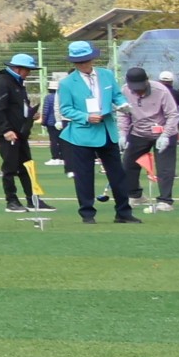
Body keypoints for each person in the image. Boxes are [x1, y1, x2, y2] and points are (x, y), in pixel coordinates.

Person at [51, 40, 135, 225]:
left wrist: (122, 104)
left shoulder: (106, 75)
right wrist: (85, 116)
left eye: (86, 60)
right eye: (79, 62)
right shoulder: (66, 83)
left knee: (118, 174)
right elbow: (66, 109)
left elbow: (116, 95)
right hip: (82, 135)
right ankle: (87, 214)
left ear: (92, 58)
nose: (84, 64)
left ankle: (123, 213)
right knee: (84, 176)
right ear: (73, 63)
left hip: (107, 131)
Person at [122, 65, 179, 212]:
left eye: (140, 86)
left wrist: (166, 135)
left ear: (147, 81)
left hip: (163, 132)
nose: (138, 90)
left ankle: (165, 201)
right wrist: (122, 134)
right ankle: (135, 195)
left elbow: (172, 114)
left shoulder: (161, 90)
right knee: (128, 164)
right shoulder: (124, 91)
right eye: (134, 87)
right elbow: (123, 114)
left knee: (165, 168)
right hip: (138, 132)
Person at [0, 52, 41, 211]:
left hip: (20, 132)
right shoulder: (3, 82)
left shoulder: (17, 83)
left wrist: (30, 116)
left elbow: (17, 107)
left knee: (27, 166)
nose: (29, 73)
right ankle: (11, 201)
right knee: (10, 168)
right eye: (28, 69)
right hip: (9, 133)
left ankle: (33, 200)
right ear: (18, 69)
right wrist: (6, 129)